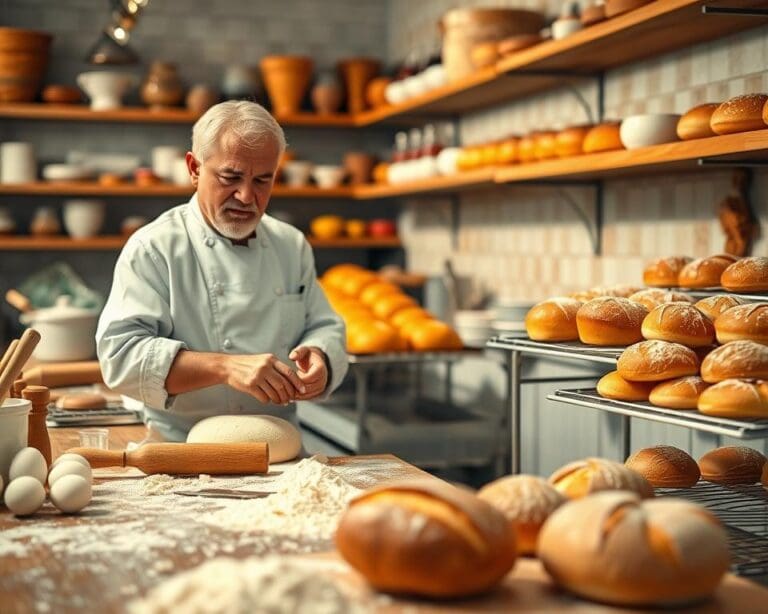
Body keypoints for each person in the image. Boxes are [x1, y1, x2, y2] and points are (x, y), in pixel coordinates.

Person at [96, 100, 348, 441]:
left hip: (280, 450)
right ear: (194, 168)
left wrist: (320, 357)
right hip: (180, 447)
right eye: (231, 177)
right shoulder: (154, 249)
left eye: (263, 180)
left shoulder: (291, 245)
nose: (247, 196)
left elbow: (323, 324)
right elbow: (121, 358)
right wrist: (225, 367)